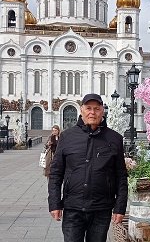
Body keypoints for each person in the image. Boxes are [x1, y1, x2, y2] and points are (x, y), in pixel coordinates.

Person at [48, 94, 128, 242]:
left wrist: (120, 207)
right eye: (88, 108)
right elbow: (56, 173)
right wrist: (54, 203)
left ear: (102, 111)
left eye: (97, 109)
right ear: (81, 110)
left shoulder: (114, 138)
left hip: (101, 208)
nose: (92, 112)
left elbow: (121, 176)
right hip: (73, 208)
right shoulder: (67, 137)